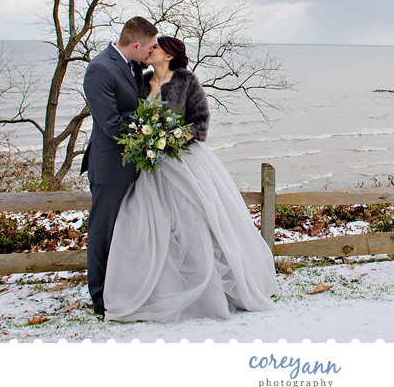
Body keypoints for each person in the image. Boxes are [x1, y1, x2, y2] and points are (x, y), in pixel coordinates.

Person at [103, 36, 278, 322]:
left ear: (169, 55)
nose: (150, 50)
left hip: (184, 161)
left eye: (155, 47)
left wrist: (175, 137)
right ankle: (158, 291)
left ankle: (208, 290)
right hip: (152, 167)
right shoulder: (142, 79)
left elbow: (201, 120)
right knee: (151, 223)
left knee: (193, 220)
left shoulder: (187, 81)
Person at [81, 17, 158, 318]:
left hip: (132, 165)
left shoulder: (133, 65)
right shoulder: (99, 70)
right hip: (110, 166)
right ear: (136, 44)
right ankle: (100, 298)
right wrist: (151, 130)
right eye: (150, 47)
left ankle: (124, 288)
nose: (151, 52)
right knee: (103, 232)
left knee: (127, 232)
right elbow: (111, 124)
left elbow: (135, 101)